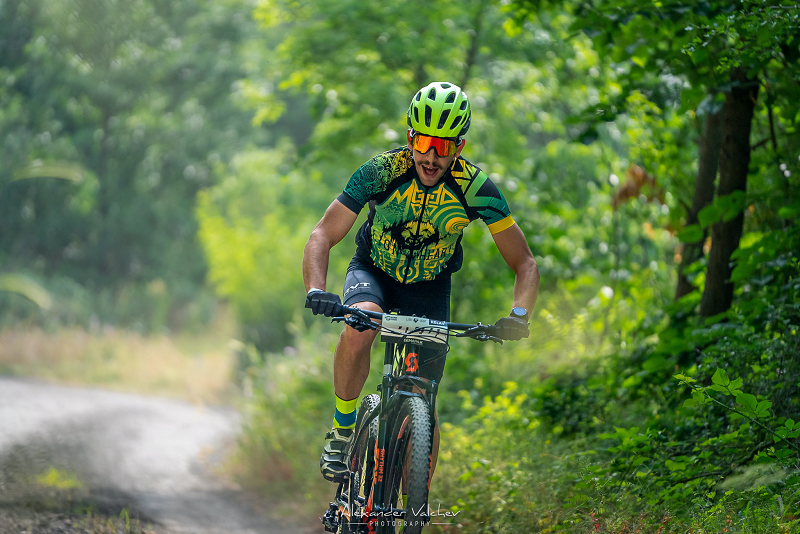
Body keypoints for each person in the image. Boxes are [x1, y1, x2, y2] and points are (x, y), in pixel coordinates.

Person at [302, 81, 540, 484]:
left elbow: (525, 263)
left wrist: (519, 314)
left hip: (429, 288)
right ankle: (342, 433)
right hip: (373, 271)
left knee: (425, 399)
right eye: (425, 142)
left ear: (458, 148)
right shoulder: (380, 172)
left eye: (443, 147)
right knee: (360, 324)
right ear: (411, 137)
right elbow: (322, 235)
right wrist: (316, 290)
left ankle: (414, 504)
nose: (431, 156)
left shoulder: (476, 189)